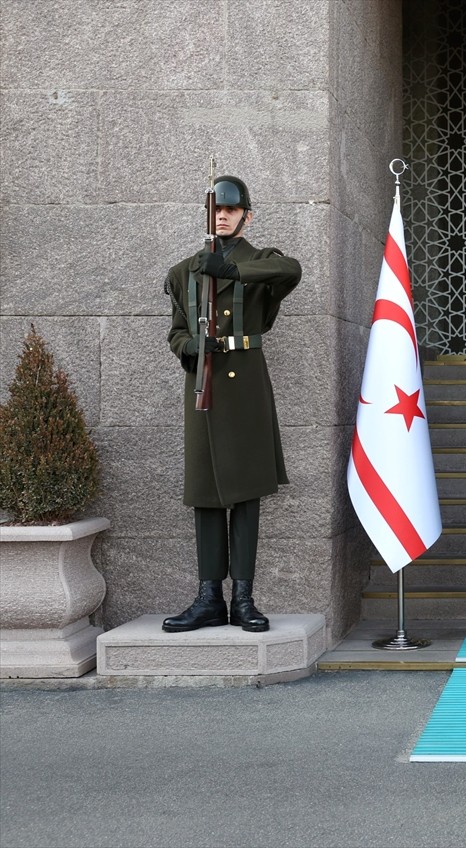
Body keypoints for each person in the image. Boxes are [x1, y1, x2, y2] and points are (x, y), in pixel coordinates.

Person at [163, 175, 301, 634]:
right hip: (203, 385)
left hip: (244, 388)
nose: (222, 216)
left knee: (245, 494)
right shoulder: (184, 270)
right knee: (206, 494)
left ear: (246, 215)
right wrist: (189, 345)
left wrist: (232, 270)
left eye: (231, 209)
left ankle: (243, 598)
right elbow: (177, 330)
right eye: (215, 210)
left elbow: (291, 271)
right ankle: (208, 598)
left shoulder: (263, 262)